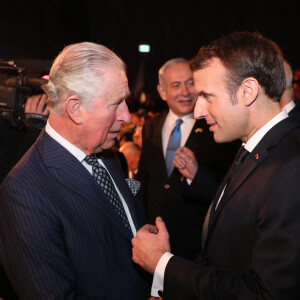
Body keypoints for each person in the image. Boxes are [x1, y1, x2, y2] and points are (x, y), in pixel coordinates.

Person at [132, 32, 300, 299]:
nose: (197, 110)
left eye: (207, 96)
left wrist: (162, 264)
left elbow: (266, 293)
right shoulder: (252, 146)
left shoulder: (291, 165)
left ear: (247, 91)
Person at [0, 42, 150, 299]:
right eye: (116, 104)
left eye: (126, 101)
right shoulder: (23, 194)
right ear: (74, 108)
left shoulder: (109, 153)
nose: (126, 116)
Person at [138, 58, 237, 260]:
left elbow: (231, 193)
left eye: (190, 83)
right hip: (156, 244)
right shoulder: (150, 127)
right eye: (176, 85)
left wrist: (196, 175)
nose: (185, 92)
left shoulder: (218, 129)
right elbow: (145, 180)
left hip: (197, 249)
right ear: (162, 91)